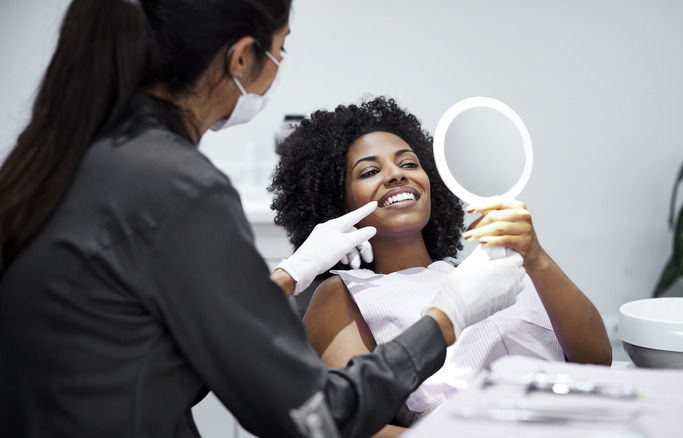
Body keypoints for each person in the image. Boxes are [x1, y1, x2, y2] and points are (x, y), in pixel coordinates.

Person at [0, 1, 529, 437]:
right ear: (241, 58)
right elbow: (314, 417)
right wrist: (449, 315)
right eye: (281, 48)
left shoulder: (61, 157)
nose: (396, 177)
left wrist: (287, 275)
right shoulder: (179, 189)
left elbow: (160, 357)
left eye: (409, 163)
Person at [270, 96, 613, 436]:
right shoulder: (345, 293)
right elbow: (351, 429)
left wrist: (536, 258)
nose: (396, 176)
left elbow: (596, 361)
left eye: (409, 164)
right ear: (337, 201)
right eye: (370, 171)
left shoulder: (493, 273)